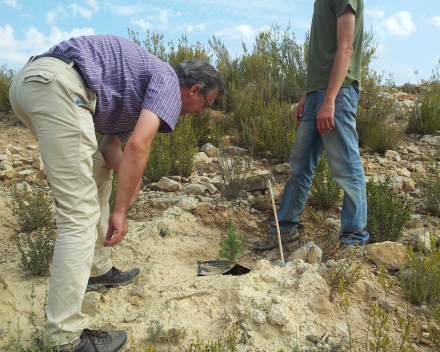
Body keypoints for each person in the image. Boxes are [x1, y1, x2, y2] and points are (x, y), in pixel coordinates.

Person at [8, 34, 224, 352]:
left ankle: (97, 269)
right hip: (59, 86)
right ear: (193, 90)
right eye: (205, 105)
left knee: (99, 170)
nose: (201, 113)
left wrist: (131, 183)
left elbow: (111, 147)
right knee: (79, 215)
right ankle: (66, 339)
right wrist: (119, 212)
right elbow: (139, 145)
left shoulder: (136, 92)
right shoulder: (166, 78)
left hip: (32, 84)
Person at [253, 0, 368, 251]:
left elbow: (346, 47)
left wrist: (329, 100)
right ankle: (284, 231)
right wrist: (309, 93)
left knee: (346, 168)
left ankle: (353, 240)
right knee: (300, 165)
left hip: (338, 93)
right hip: (317, 94)